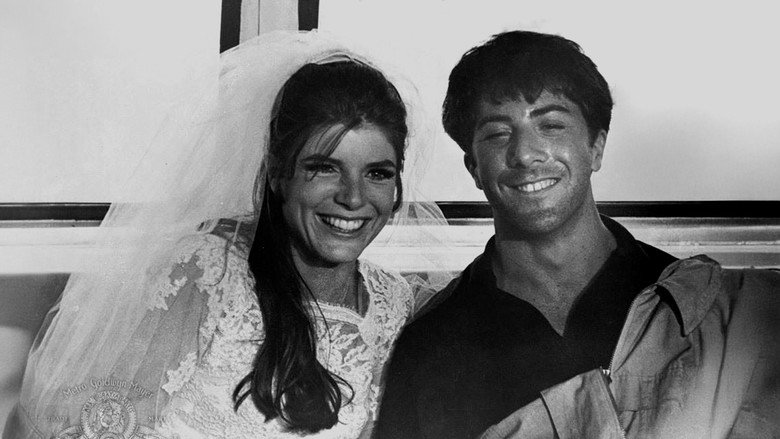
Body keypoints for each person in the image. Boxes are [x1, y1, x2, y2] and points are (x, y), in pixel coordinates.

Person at [4, 30, 449, 439]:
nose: (353, 197)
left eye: (377, 173)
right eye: (324, 168)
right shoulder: (208, 276)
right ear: (278, 173)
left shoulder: (393, 306)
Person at [376, 30, 780, 438]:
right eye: (498, 133)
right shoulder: (431, 346)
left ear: (596, 148)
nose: (525, 154)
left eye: (551, 125)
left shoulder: (704, 308)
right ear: (474, 169)